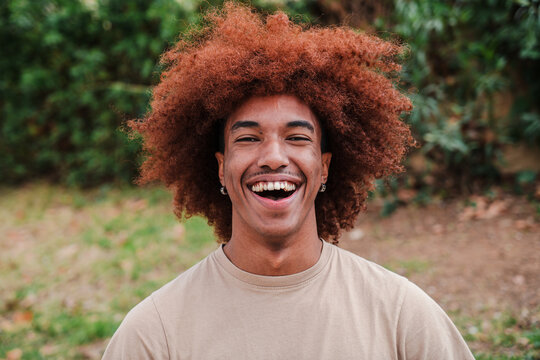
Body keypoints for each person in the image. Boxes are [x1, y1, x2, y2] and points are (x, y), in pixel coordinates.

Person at [102, 3, 474, 359]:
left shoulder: (402, 317)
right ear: (220, 168)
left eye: (297, 138)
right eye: (248, 138)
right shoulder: (154, 334)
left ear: (324, 167)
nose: (275, 158)